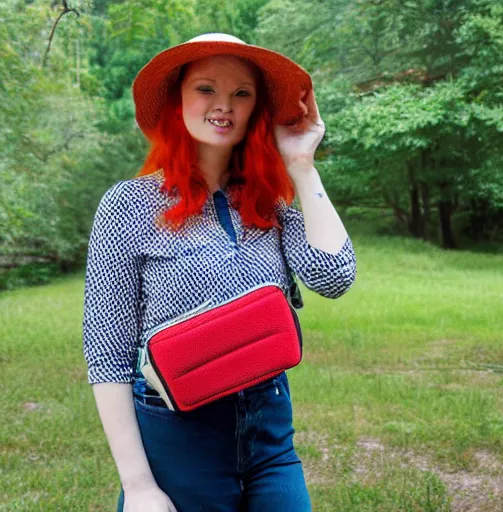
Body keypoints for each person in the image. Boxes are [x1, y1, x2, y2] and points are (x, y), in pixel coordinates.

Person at [82, 33, 357, 512]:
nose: (223, 105)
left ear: (256, 109)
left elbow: (334, 275)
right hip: (178, 435)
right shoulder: (127, 206)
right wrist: (140, 486)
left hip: (269, 430)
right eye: (206, 89)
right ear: (178, 101)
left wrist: (302, 165)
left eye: (241, 93)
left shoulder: (270, 206)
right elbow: (107, 353)